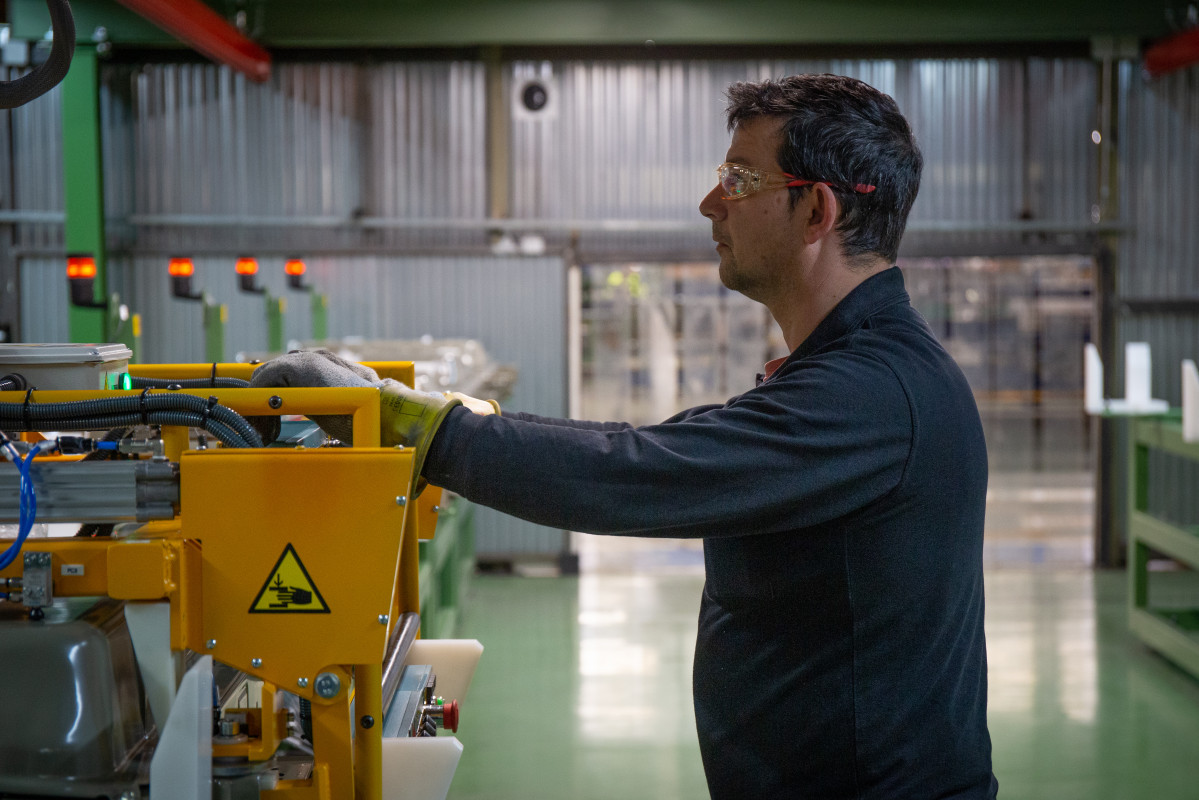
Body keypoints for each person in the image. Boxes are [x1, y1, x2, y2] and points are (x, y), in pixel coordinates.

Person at [253, 73, 998, 799]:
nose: (710, 204)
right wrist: (440, 411)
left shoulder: (871, 393)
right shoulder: (853, 372)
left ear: (816, 213)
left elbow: (639, 473)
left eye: (739, 180)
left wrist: (410, 424)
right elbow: (662, 443)